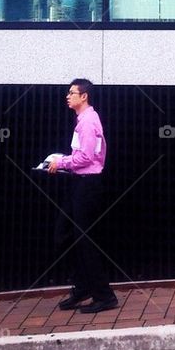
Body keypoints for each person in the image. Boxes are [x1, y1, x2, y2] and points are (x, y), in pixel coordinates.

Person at [47, 78, 118, 313]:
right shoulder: (85, 120)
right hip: (80, 183)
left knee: (85, 241)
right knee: (64, 234)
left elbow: (86, 158)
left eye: (72, 93)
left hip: (87, 185)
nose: (68, 96)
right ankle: (83, 287)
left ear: (84, 96)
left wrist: (61, 162)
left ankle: (104, 296)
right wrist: (65, 163)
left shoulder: (87, 122)